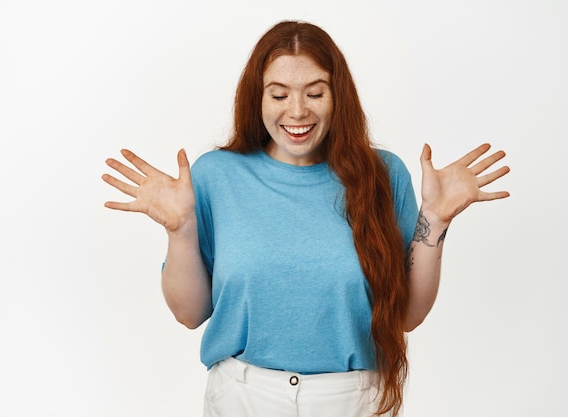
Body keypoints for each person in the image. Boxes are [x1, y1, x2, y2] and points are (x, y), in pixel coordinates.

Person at [102, 20, 510, 417]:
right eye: (278, 96)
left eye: (315, 93)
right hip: (243, 398)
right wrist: (180, 230)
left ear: (338, 97)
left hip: (354, 399)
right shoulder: (215, 176)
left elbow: (407, 315)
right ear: (256, 99)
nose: (297, 112)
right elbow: (190, 313)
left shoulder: (384, 175)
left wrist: (435, 220)